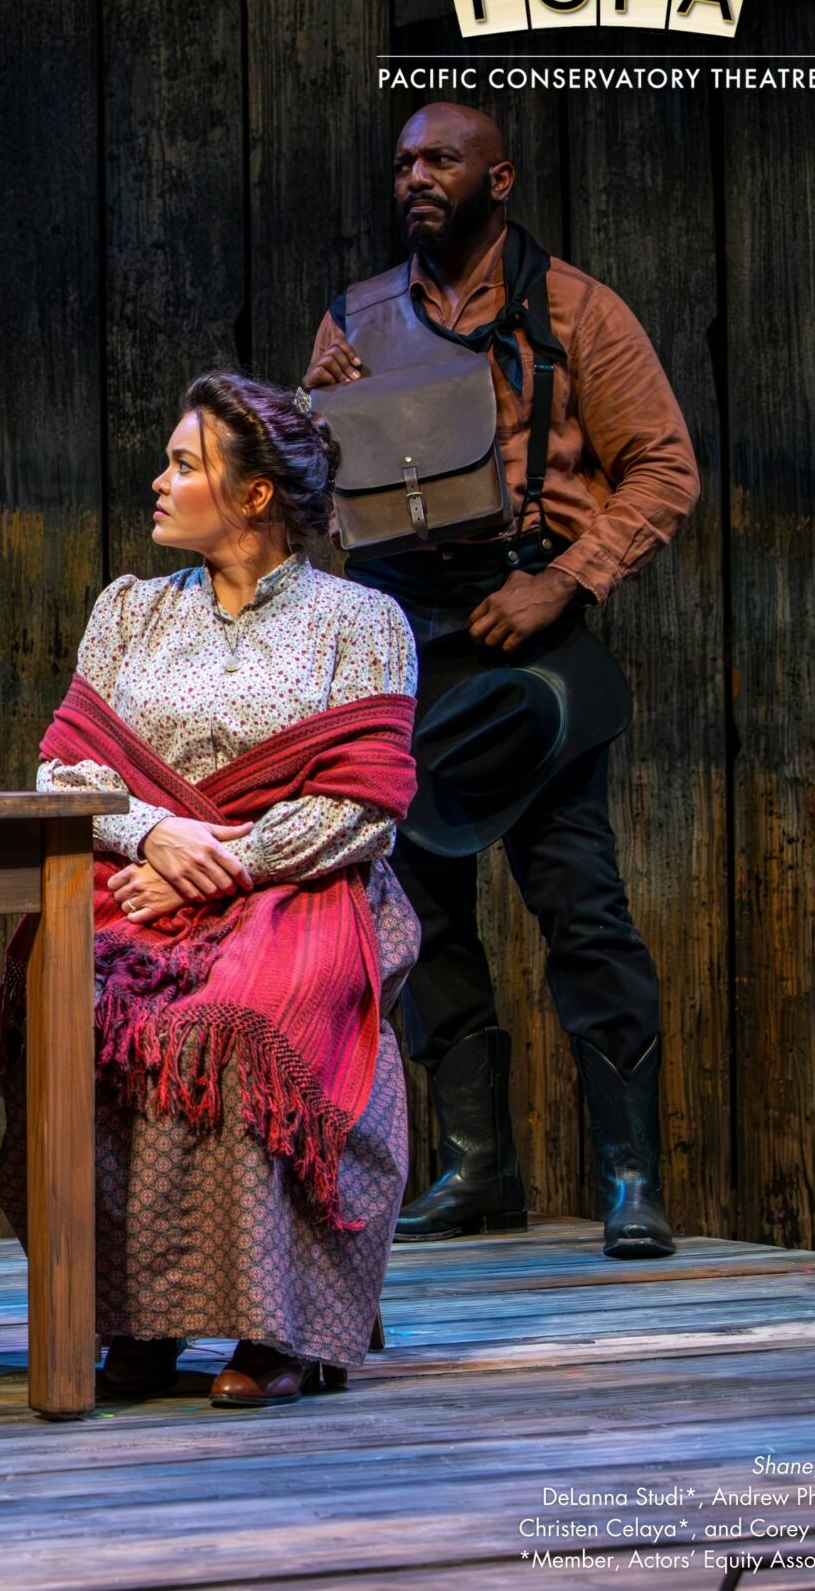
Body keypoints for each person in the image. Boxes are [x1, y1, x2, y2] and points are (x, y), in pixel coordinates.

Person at [305, 102, 698, 1259]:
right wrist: (318, 416)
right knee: (419, 910)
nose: (415, 178)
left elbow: (662, 469)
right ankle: (477, 1168)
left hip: (524, 632)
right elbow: (316, 510)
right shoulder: (357, 317)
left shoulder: (578, 310)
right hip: (402, 640)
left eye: (440, 160)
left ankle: (631, 1175)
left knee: (579, 903)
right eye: (402, 164)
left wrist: (565, 581)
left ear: (500, 179)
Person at [0, 372, 420, 1407]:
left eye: (184, 465)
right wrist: (150, 833)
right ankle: (136, 1318)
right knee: (83, 1011)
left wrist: (225, 861)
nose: (159, 480)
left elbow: (364, 803)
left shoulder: (356, 623)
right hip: (139, 879)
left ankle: (278, 1325)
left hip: (303, 886)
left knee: (238, 1024)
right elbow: (65, 773)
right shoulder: (130, 612)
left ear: (255, 495)